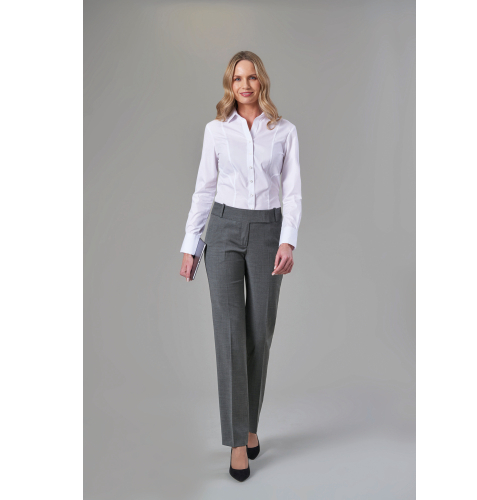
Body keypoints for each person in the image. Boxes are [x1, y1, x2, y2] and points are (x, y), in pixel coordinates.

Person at [179, 50, 302, 482]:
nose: (244, 85)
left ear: (261, 81)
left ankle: (250, 424)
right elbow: (203, 188)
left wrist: (288, 240)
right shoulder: (216, 130)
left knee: (258, 335)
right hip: (224, 229)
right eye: (237, 78)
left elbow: (293, 192)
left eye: (251, 77)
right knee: (230, 336)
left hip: (268, 231)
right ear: (229, 85)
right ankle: (237, 442)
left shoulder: (283, 131)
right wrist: (191, 245)